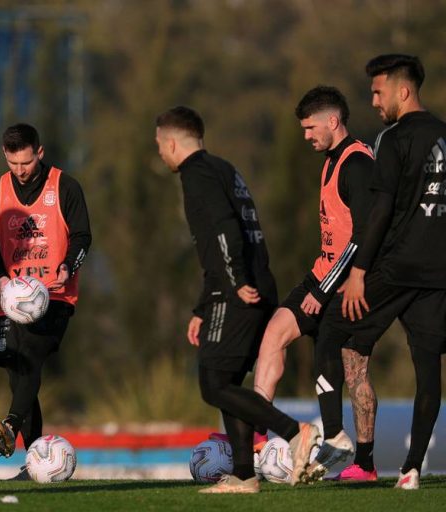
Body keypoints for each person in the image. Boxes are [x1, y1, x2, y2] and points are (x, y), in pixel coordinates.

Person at [156, 106, 320, 493]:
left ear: (173, 142)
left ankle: (294, 432)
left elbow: (227, 230)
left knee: (213, 384)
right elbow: (232, 239)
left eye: (159, 145)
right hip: (251, 285)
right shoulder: (224, 169)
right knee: (228, 382)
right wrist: (203, 307)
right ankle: (245, 475)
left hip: (238, 290)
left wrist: (237, 282)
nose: (160, 154)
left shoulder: (196, 175)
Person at [307, 54, 446, 490]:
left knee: (333, 330)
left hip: (395, 266)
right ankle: (411, 470)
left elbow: (381, 208)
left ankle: (347, 447)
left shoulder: (392, 138)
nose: (373, 101)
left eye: (377, 92)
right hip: (438, 274)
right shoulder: (444, 135)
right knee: (428, 372)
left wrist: (360, 270)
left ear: (402, 92)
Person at [252, 86, 378, 481]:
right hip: (321, 273)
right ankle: (256, 441)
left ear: (333, 122)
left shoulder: (357, 164)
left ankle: (359, 458)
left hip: (349, 283)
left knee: (348, 368)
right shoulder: (329, 160)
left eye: (310, 127)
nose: (306, 135)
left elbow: (362, 237)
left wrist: (324, 291)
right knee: (274, 333)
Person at [0, 123, 91, 479]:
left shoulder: (65, 186)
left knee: (32, 356)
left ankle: (10, 425)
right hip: (13, 299)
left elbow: (84, 236)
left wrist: (67, 266)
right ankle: (35, 462)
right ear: (5, 156)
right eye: (13, 164)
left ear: (39, 153)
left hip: (54, 295)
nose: (20, 171)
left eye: (26, 163)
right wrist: (0, 279)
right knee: (15, 369)